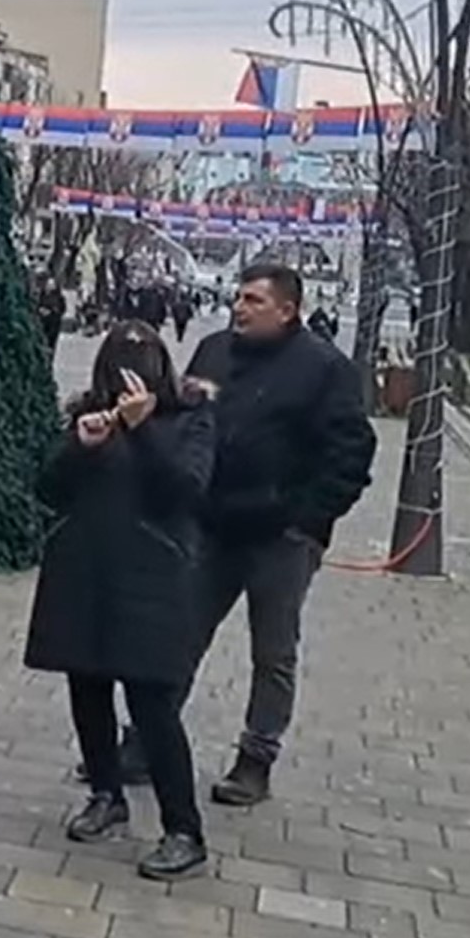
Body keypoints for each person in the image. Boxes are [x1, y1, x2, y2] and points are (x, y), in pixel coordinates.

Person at [179, 262, 375, 806]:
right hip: (213, 525)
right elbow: (187, 420)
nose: (238, 307)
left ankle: (255, 758)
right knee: (179, 633)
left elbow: (352, 451)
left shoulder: (324, 368)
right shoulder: (214, 351)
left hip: (282, 538)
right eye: (238, 298)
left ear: (288, 310)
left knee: (273, 653)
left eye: (253, 300)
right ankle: (149, 741)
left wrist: (310, 520)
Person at [28, 322, 216, 881]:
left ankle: (184, 828)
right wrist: (78, 447)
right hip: (85, 570)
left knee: (152, 704)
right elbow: (49, 490)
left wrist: (142, 431)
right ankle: (106, 794)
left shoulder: (190, 417)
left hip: (152, 575)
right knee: (87, 685)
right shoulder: (90, 414)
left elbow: (184, 490)